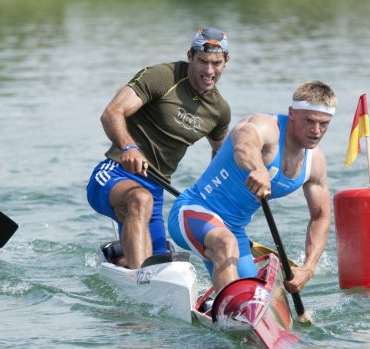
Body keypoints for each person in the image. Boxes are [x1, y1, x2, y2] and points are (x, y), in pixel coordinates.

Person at [167, 80, 336, 294]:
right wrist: (258, 168)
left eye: (324, 124)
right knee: (226, 244)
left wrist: (308, 268)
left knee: (256, 291)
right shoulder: (266, 126)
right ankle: (231, 314)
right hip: (194, 212)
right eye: (310, 121)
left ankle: (221, 301)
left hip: (234, 230)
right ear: (292, 113)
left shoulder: (316, 163)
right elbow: (244, 144)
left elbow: (320, 216)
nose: (316, 130)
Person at [86, 27, 232, 269]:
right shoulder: (163, 77)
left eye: (216, 63)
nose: (209, 71)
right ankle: (138, 277)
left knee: (159, 263)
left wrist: (215, 199)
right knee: (139, 200)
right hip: (115, 173)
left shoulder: (219, 110)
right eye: (203, 61)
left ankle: (120, 261)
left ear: (226, 61)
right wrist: (128, 147)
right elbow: (112, 112)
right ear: (190, 56)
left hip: (155, 189)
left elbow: (221, 159)